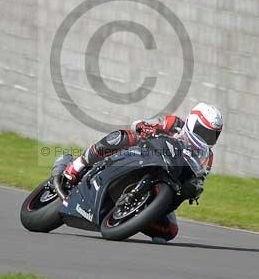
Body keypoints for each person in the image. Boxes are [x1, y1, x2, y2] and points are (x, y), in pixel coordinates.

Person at [55, 103, 224, 243]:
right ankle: (77, 165)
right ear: (192, 122)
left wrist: (193, 189)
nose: (206, 138)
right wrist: (146, 127)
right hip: (142, 156)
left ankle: (135, 217)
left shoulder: (207, 157)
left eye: (211, 135)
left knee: (169, 232)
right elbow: (138, 125)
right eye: (203, 131)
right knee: (122, 137)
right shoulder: (174, 124)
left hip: (166, 182)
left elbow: (199, 180)